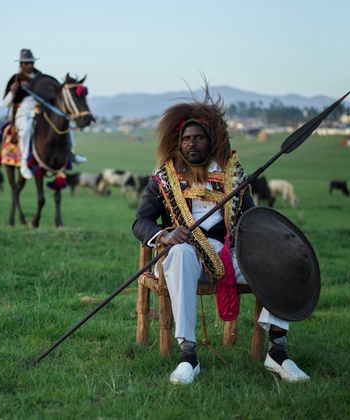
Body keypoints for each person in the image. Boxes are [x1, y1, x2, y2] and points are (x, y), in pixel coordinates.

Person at [132, 91, 310, 385]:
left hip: (230, 257)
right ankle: (188, 356)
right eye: (187, 138)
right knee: (180, 254)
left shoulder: (233, 175)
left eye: (198, 137)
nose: (192, 143)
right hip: (184, 260)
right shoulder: (164, 177)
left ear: (210, 140)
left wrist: (274, 245)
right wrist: (164, 234)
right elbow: (141, 222)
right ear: (179, 142)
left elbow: (252, 223)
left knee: (282, 260)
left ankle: (278, 352)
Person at [3, 48, 86, 180]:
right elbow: (6, 103)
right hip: (24, 112)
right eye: (26, 63)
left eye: (31, 62)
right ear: (21, 64)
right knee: (26, 130)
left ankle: (71, 153)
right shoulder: (15, 79)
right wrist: (13, 92)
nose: (29, 65)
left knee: (66, 121)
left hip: (42, 110)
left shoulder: (41, 77)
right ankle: (24, 162)